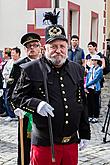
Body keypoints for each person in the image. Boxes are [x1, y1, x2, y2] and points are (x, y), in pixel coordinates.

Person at [11, 24, 90, 165]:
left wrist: (84, 133)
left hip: (71, 142)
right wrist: (37, 104)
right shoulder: (31, 69)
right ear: (45, 48)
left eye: (62, 46)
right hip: (44, 144)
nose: (58, 50)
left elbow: (81, 102)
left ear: (67, 48)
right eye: (53, 46)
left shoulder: (77, 69)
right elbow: (16, 97)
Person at [9, 32, 41, 165]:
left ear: (40, 47)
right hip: (25, 112)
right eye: (28, 46)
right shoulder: (19, 65)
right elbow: (12, 92)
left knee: (42, 145)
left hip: (42, 111)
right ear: (25, 49)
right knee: (24, 145)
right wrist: (16, 108)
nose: (32, 48)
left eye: (34, 45)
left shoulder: (45, 63)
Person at [2, 47, 21, 121]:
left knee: (17, 99)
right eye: (11, 53)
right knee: (7, 99)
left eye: (13, 53)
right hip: (8, 83)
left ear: (18, 53)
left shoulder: (22, 62)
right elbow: (4, 71)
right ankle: (11, 115)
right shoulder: (9, 61)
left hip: (18, 84)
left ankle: (18, 114)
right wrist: (7, 77)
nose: (12, 55)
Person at [85, 55, 103, 123]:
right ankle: (90, 115)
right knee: (89, 102)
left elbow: (95, 80)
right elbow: (87, 77)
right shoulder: (91, 68)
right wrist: (86, 86)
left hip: (95, 88)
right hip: (89, 88)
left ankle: (95, 116)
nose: (93, 61)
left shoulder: (99, 69)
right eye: (92, 60)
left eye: (94, 60)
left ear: (97, 61)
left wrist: (86, 85)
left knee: (95, 103)